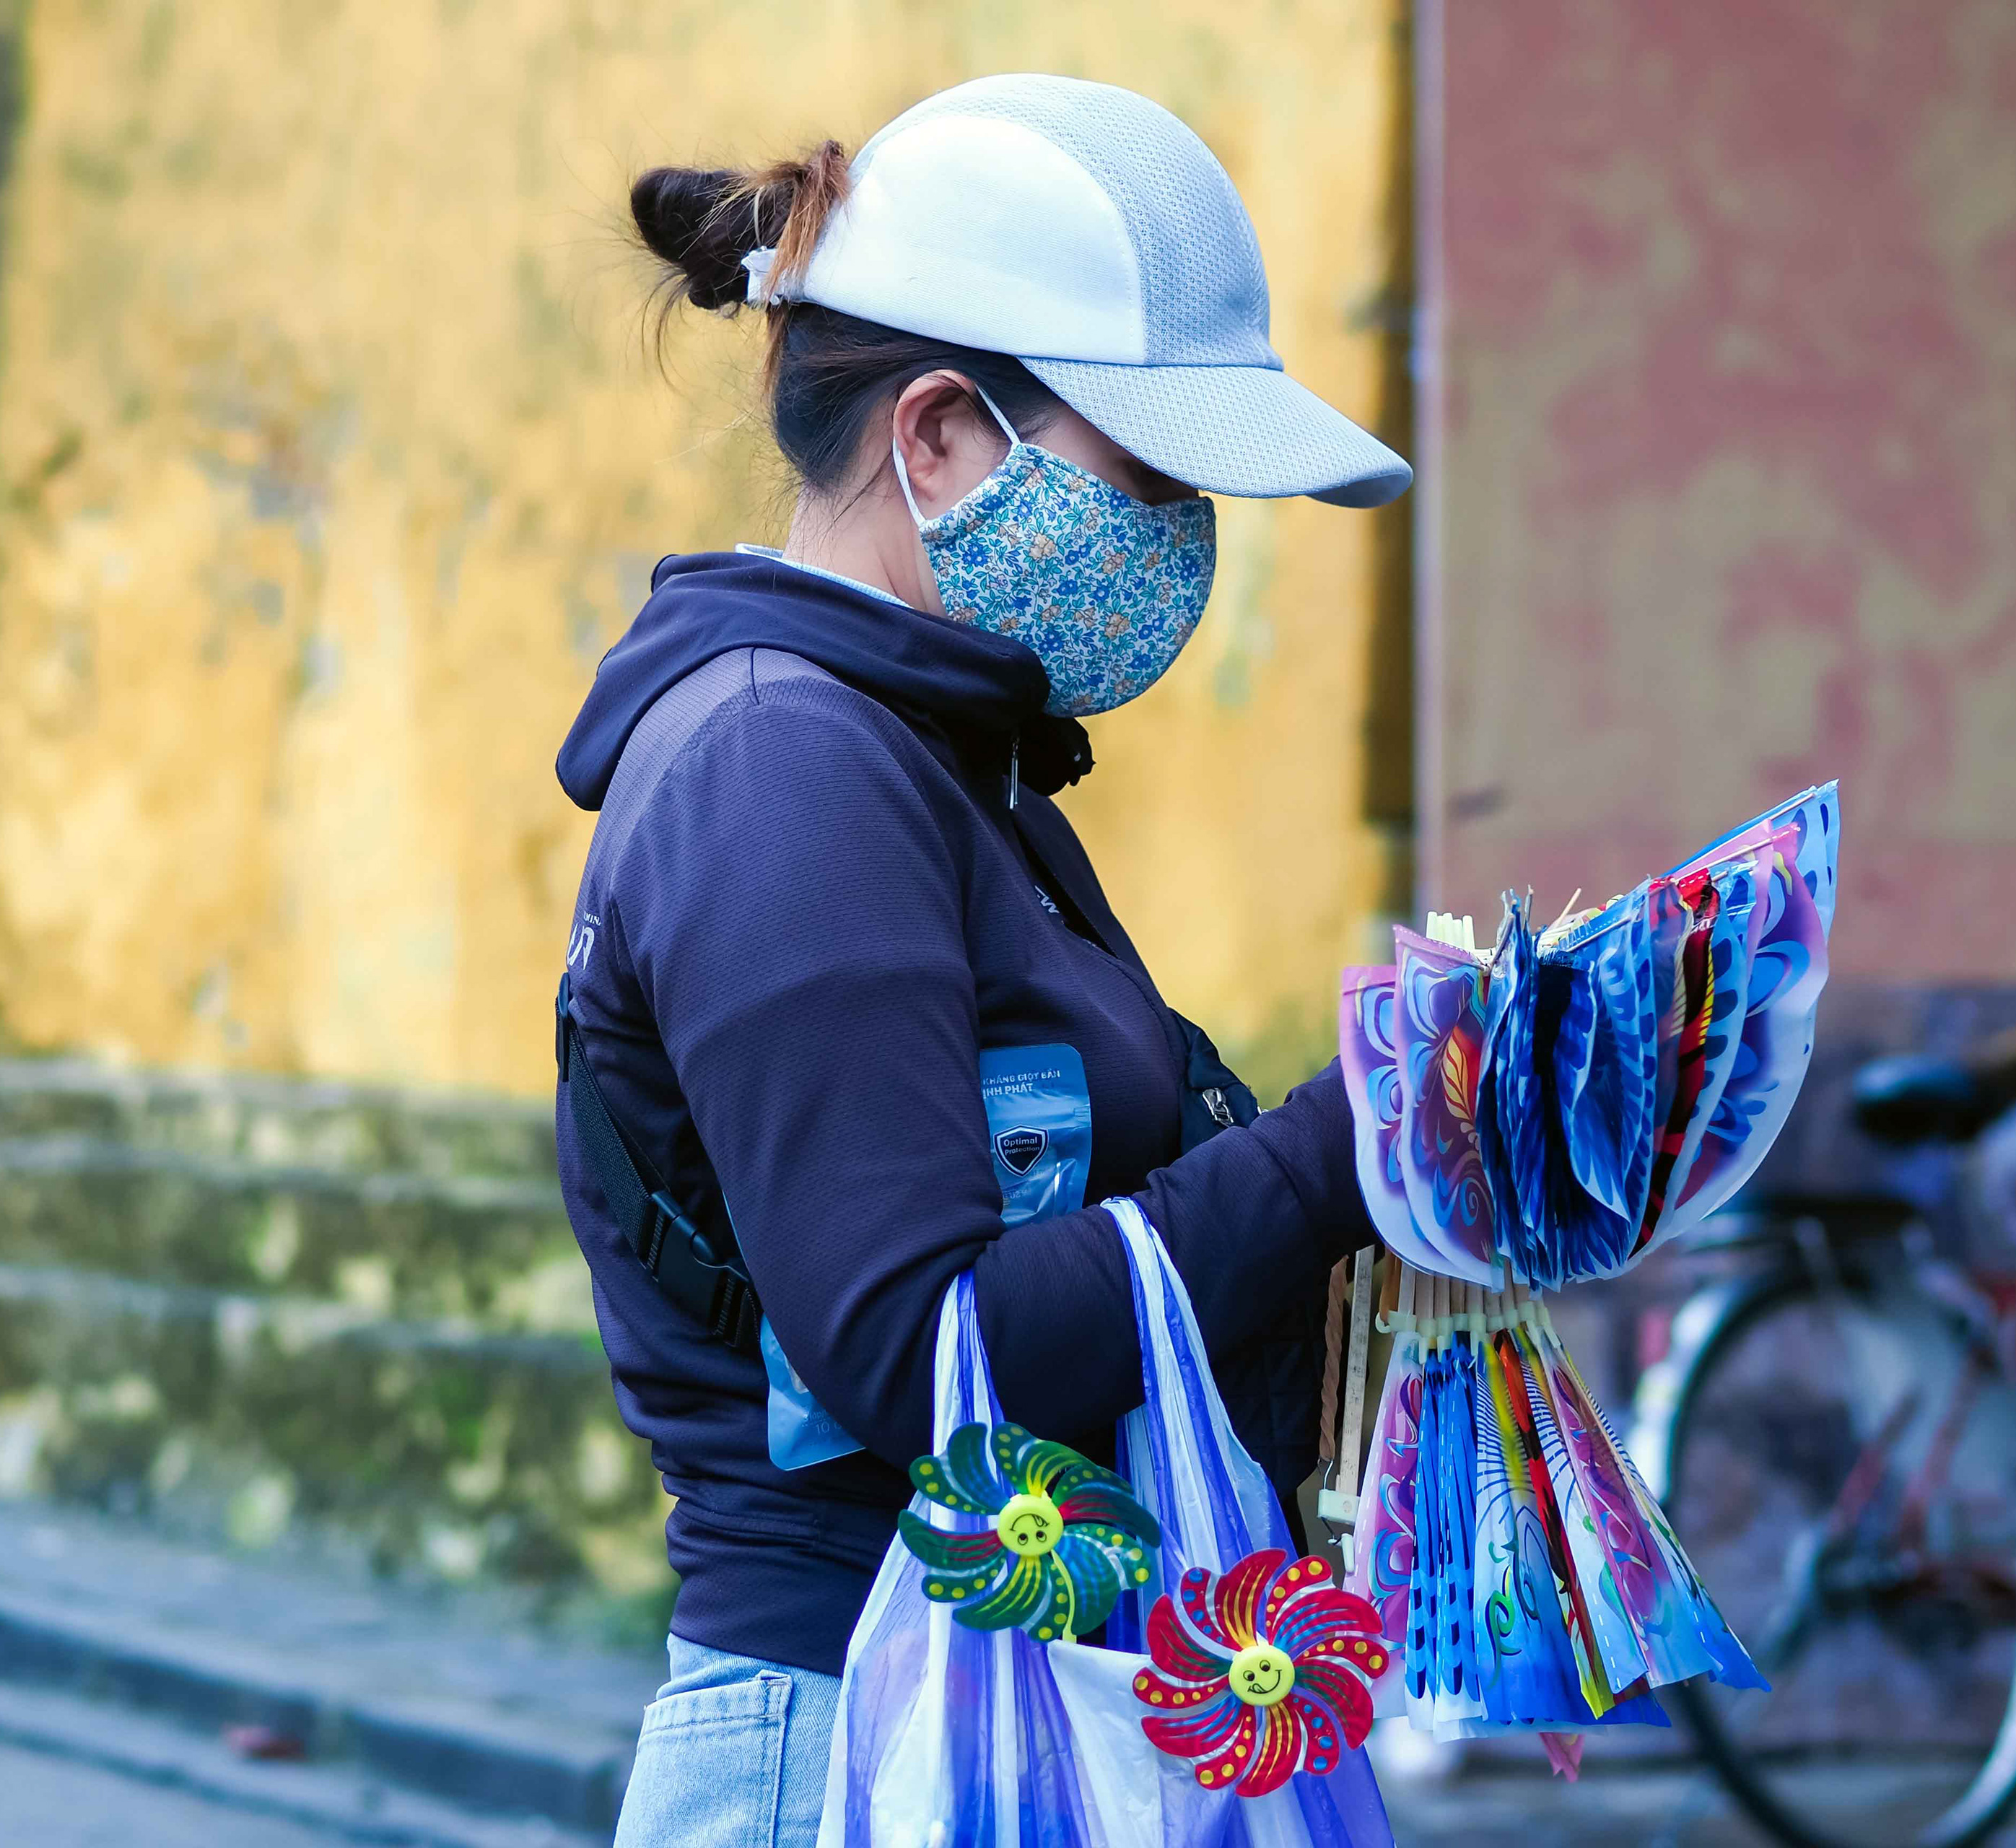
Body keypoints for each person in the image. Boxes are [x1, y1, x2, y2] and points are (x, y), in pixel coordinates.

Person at [553, 74, 1410, 1847]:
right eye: (1153, 476)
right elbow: (921, 1352)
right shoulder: (780, 770)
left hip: (1023, 1721)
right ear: (935, 439)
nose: (1186, 539)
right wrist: (1354, 1140)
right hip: (866, 1745)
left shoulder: (940, 755)